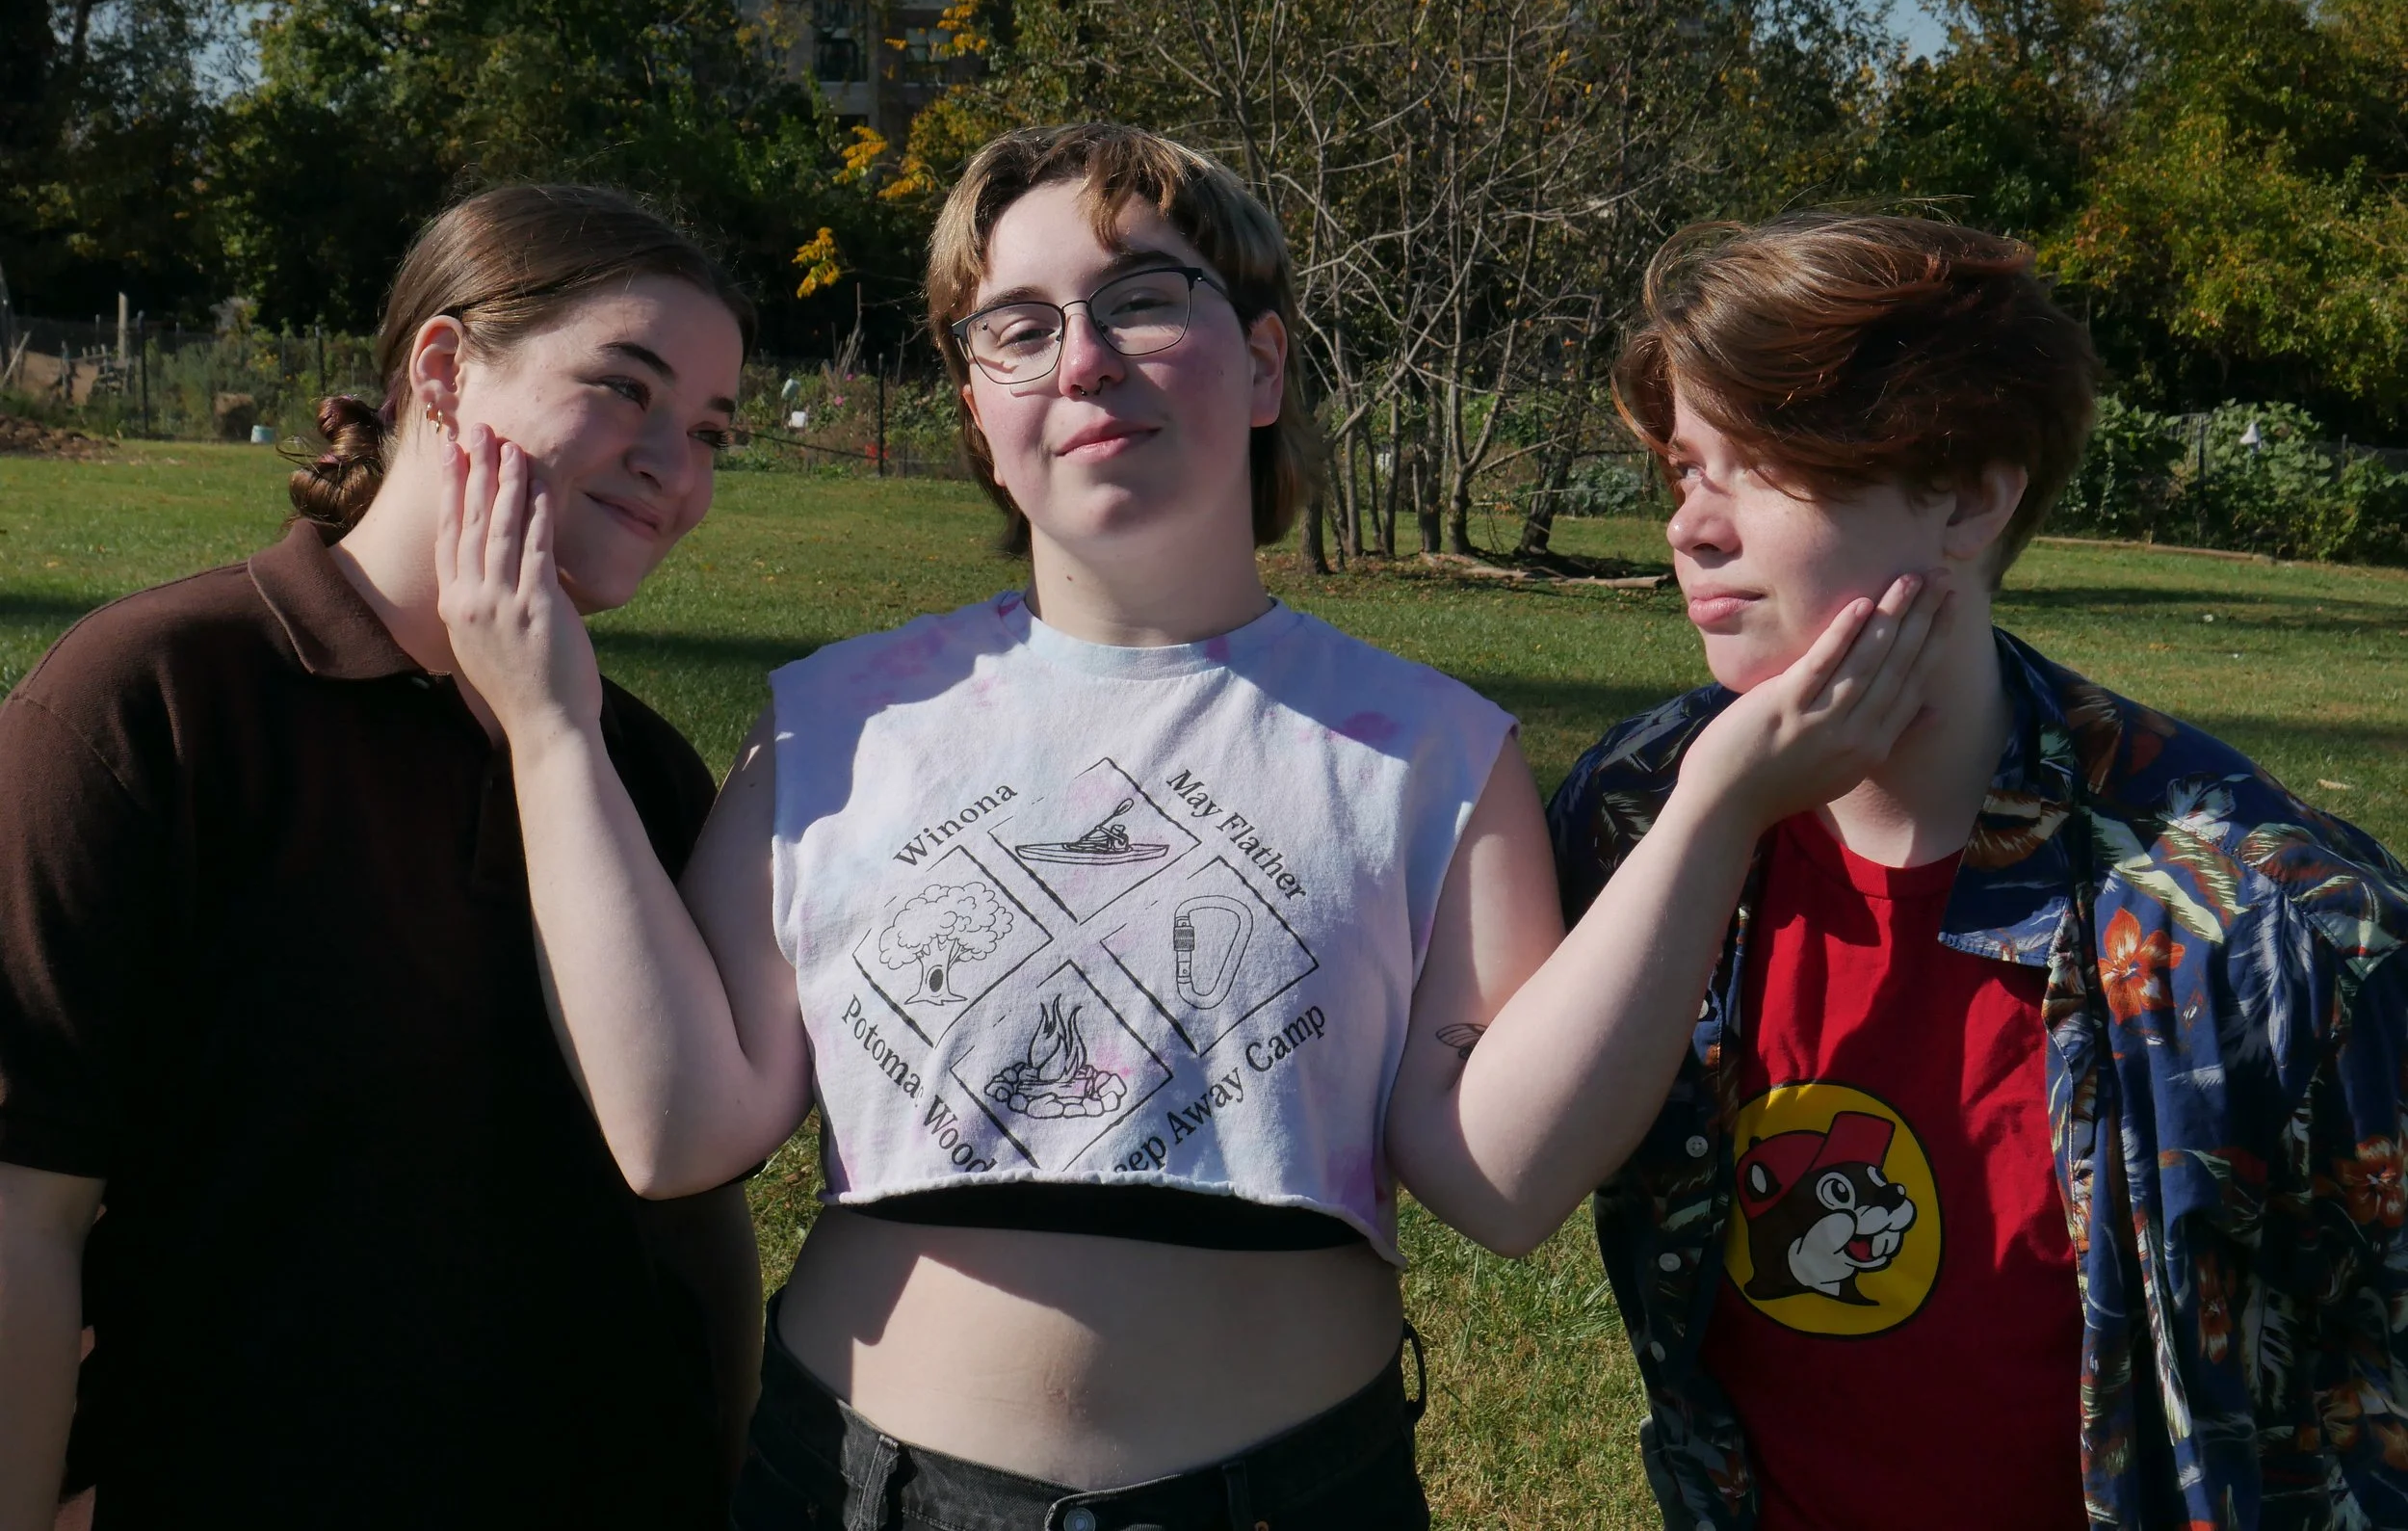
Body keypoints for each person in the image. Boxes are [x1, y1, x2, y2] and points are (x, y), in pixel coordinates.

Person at [430, 123, 1947, 1531]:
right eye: (1019, 329)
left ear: (1265, 363)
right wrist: (552, 730)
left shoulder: (1431, 749)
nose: (1084, 360)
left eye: (1145, 300)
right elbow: (679, 1128)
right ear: (977, 412)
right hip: (863, 1491)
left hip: (1292, 1497)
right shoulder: (831, 725)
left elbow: (1502, 1181)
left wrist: (1717, 806)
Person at [1547, 212, 2408, 1530]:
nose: (1690, 529)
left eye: (1761, 465)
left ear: (1968, 496)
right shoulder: (1630, 818)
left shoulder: (2274, 924)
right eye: (1684, 469)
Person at [0, 185, 766, 1530]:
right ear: (443, 370)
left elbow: (696, 1227)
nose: (675, 468)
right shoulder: (156, 702)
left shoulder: (638, 770)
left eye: (709, 431)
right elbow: (25, 1216)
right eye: (624, 389)